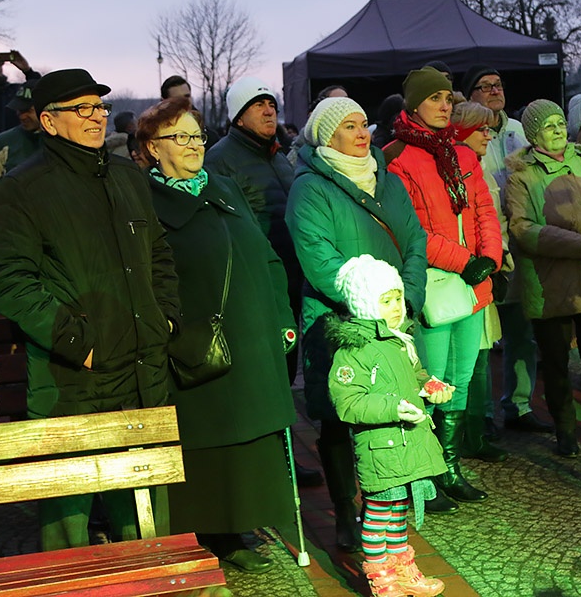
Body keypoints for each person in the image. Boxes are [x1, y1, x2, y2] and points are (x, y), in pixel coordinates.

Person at [0, 69, 181, 551]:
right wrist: (80, 344)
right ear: (50, 122)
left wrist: (166, 317)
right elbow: (9, 280)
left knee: (145, 517)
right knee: (68, 524)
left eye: (100, 107)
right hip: (73, 377)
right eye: (83, 109)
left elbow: (158, 254)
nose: (97, 118)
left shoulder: (125, 175)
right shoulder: (24, 187)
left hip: (143, 368)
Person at [137, 96, 298, 574]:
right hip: (198, 343)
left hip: (253, 336)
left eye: (196, 135)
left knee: (251, 438)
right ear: (151, 147)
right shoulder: (144, 199)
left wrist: (283, 315)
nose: (192, 145)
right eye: (179, 137)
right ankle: (215, 534)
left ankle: (244, 523)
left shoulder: (222, 186)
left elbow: (266, 255)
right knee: (210, 443)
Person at [287, 96, 427, 544]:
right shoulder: (309, 187)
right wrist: (372, 305)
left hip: (392, 316)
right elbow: (318, 258)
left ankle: (383, 505)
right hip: (338, 319)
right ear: (328, 136)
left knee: (386, 413)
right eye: (349, 125)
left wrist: (405, 301)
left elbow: (415, 245)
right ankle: (346, 511)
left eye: (364, 122)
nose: (362, 132)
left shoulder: (387, 180)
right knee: (338, 416)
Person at [385, 66, 502, 510]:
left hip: (473, 286)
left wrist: (488, 256)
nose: (443, 106)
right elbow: (410, 228)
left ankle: (450, 466)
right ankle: (427, 476)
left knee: (463, 378)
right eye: (434, 98)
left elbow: (483, 210)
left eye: (447, 99)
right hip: (435, 283)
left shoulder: (462, 155)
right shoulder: (397, 156)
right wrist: (465, 260)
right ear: (413, 104)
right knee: (432, 383)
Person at [328, 254, 449, 597]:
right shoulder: (354, 349)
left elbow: (413, 377)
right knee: (378, 514)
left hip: (407, 445)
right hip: (382, 448)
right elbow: (348, 402)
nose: (397, 306)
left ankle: (402, 569)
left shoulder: (400, 340)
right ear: (366, 304)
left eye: (398, 297)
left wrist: (428, 387)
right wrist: (394, 407)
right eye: (386, 300)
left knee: (398, 512)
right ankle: (381, 578)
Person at [505, 99, 581, 455]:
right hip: (548, 279)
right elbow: (522, 229)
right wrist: (579, 244)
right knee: (555, 361)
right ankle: (565, 428)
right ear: (534, 134)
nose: (556, 131)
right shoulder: (521, 175)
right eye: (547, 126)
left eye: (558, 123)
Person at [460, 65, 545, 434]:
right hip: (480, 249)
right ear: (471, 94)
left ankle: (519, 406)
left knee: (520, 332)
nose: (495, 91)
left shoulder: (517, 132)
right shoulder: (463, 138)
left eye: (498, 85)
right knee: (478, 336)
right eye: (485, 86)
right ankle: (476, 414)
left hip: (517, 244)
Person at [205, 78, 305, 385]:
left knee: (287, 359)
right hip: (256, 279)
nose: (269, 112)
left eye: (272, 105)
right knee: (263, 366)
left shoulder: (278, 155)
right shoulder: (219, 159)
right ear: (238, 116)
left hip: (291, 276)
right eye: (258, 105)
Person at [450, 100, 510, 463]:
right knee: (468, 359)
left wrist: (497, 258)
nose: (488, 135)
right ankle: (467, 434)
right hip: (465, 273)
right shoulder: (460, 167)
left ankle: (477, 427)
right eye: (481, 129)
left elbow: (492, 219)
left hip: (485, 269)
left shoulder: (479, 166)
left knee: (480, 356)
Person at [0, 79, 41, 205]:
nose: (21, 116)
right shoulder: (4, 142)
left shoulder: (65, 141)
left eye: (28, 110)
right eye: (19, 110)